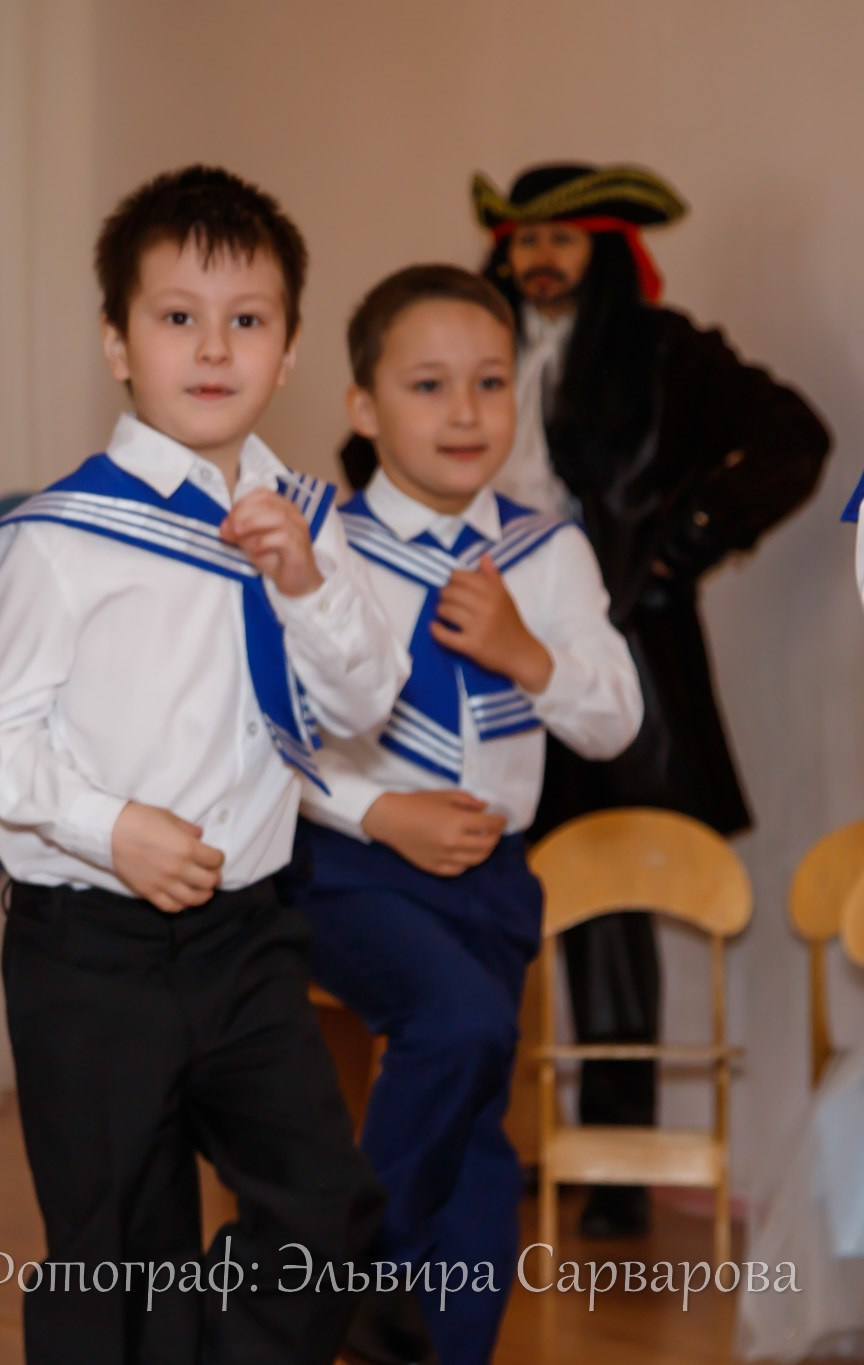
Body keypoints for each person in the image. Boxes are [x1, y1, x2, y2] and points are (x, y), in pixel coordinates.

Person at [0, 165, 403, 1365]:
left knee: (324, 1212)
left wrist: (305, 585)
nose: (213, 347)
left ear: (287, 350)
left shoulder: (310, 521)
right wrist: (111, 827)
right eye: (176, 316)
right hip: (90, 950)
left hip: (248, 937)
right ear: (116, 343)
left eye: (247, 319)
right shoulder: (57, 538)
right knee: (116, 1264)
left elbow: (360, 704)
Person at [346, 162, 830, 1237]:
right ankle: (464, 1138)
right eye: (524, 238)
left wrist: (675, 551)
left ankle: (609, 1170)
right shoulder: (459, 346)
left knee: (608, 910)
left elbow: (793, 437)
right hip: (457, 644)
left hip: (596, 644)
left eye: (563, 238)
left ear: (606, 249)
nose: (539, 257)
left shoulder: (660, 350)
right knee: (454, 882)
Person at [297, 265, 642, 1365]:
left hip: (493, 874)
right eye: (428, 384)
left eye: (490, 383)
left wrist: (524, 652)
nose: (463, 412)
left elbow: (615, 722)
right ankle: (354, 1269)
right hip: (349, 867)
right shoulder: (320, 549)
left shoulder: (547, 552)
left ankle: (435, 1348)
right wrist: (377, 812)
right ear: (362, 406)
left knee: (478, 1138)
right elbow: (266, 738)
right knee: (460, 1026)